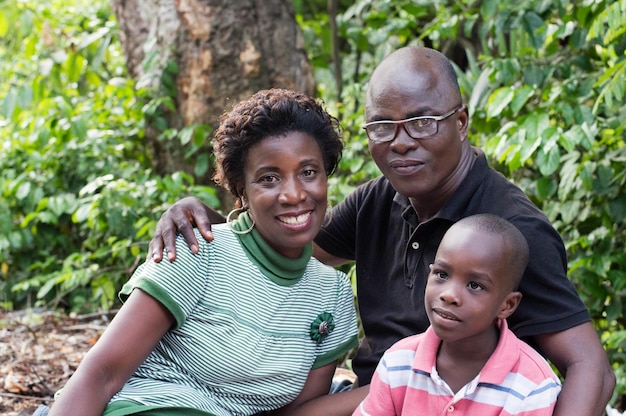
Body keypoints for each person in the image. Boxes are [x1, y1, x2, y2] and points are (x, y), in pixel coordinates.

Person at [148, 46, 615, 415]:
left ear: (461, 122)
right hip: (375, 390)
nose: (402, 141)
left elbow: (590, 364)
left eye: (422, 121)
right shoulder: (378, 199)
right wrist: (202, 220)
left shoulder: (510, 229)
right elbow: (280, 253)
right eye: (382, 126)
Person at [48, 88, 360, 416]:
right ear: (241, 191)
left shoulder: (333, 295)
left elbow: (297, 413)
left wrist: (397, 383)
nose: (294, 194)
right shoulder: (198, 252)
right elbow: (101, 374)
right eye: (269, 178)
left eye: (309, 172)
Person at [353, 214, 562, 415]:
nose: (450, 295)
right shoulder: (398, 362)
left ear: (507, 305)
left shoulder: (532, 386)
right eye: (442, 275)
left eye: (474, 285)